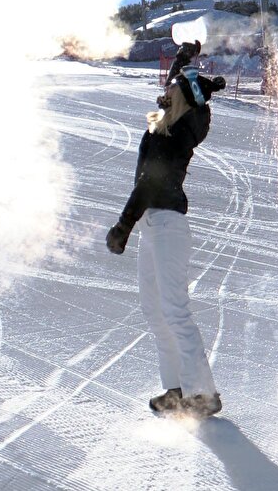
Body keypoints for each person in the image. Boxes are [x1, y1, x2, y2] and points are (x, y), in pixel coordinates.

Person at [105, 56, 227, 418]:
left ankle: (203, 394)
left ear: (184, 98)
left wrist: (123, 227)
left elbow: (148, 184)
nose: (166, 88)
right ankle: (175, 389)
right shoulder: (165, 127)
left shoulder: (176, 135)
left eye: (173, 86)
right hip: (153, 227)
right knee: (155, 310)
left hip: (168, 225)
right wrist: (181, 61)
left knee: (174, 309)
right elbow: (181, 92)